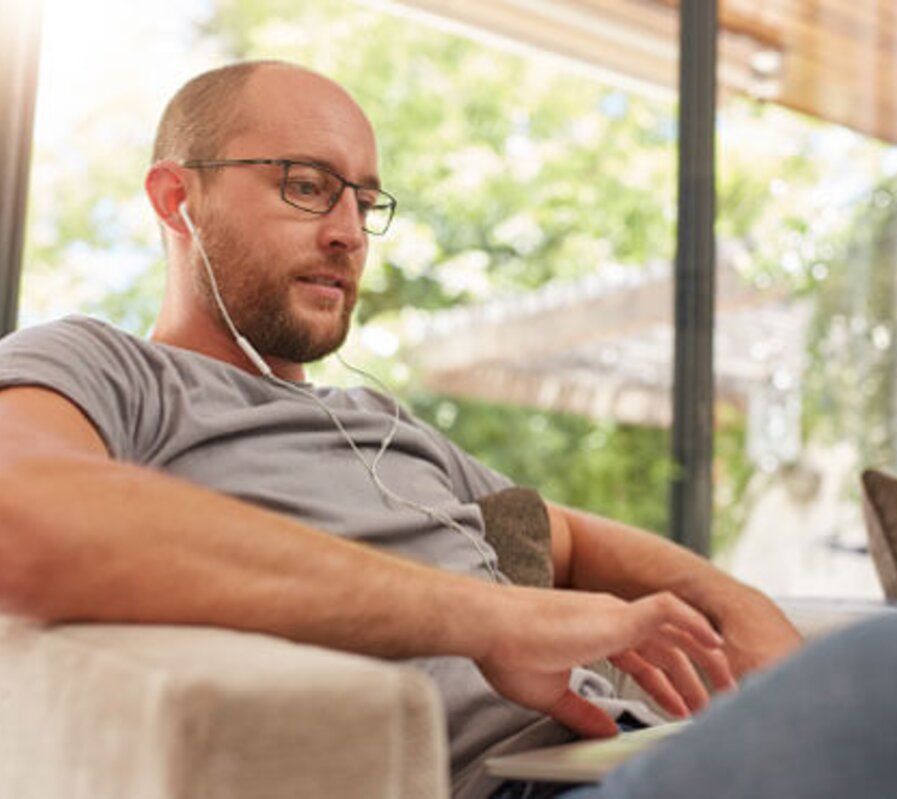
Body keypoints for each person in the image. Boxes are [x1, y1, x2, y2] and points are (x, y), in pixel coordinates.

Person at [0, 60, 804, 798]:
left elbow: (565, 535)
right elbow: (20, 514)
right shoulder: (104, 367)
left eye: (365, 199)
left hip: (637, 754)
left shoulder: (381, 422)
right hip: (513, 788)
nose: (350, 231)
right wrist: (493, 616)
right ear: (179, 199)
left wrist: (741, 606)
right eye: (309, 186)